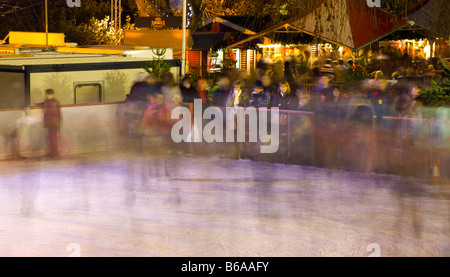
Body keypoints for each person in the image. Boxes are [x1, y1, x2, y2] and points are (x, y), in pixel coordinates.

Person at [34, 89, 62, 159]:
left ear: (52, 94)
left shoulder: (55, 102)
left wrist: (59, 121)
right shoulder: (47, 102)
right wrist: (33, 104)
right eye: (47, 94)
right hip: (49, 123)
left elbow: (58, 112)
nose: (47, 95)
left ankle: (55, 153)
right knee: (49, 138)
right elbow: (41, 104)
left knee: (53, 139)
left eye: (48, 94)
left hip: (54, 123)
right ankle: (51, 152)